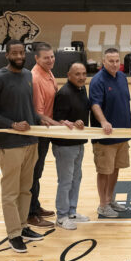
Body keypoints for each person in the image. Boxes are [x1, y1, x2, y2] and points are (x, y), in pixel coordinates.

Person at [0, 39, 44, 253]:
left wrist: (41, 120)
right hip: (11, 142)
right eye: (14, 53)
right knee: (10, 192)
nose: (19, 56)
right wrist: (12, 125)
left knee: (25, 189)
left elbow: (28, 108)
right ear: (6, 55)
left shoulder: (27, 75)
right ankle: (13, 234)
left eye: (21, 53)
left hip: (31, 140)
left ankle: (23, 226)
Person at [89, 47, 131, 218]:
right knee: (104, 171)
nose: (114, 64)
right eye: (111, 61)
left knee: (115, 168)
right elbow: (95, 104)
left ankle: (110, 198)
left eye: (117, 61)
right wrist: (104, 121)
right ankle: (102, 205)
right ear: (103, 62)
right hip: (105, 136)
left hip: (121, 134)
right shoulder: (98, 80)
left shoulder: (122, 77)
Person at [51, 62, 91, 229]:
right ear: (69, 75)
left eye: (83, 73)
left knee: (76, 178)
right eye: (77, 74)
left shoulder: (82, 90)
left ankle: (72, 211)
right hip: (65, 146)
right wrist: (73, 123)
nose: (81, 77)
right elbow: (59, 120)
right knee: (66, 181)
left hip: (79, 142)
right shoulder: (64, 93)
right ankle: (61, 216)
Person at [27, 42, 62, 228]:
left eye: (52, 56)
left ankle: (36, 205)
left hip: (48, 130)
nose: (51, 60)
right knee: (33, 173)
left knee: (38, 172)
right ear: (37, 58)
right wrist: (58, 125)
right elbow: (38, 114)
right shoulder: (35, 78)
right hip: (40, 132)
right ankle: (30, 214)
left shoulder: (48, 72)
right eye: (46, 57)